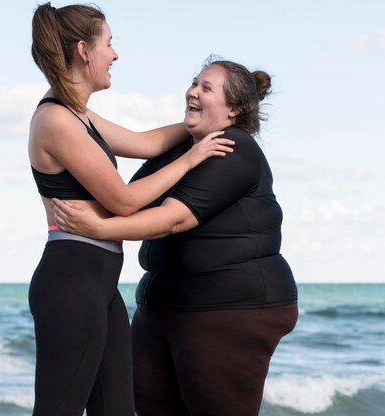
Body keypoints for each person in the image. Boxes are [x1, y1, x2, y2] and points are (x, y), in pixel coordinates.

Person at [51, 57, 299, 416]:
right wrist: (59, 102)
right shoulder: (183, 146)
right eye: (194, 83)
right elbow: (131, 198)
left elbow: (173, 219)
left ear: (235, 109)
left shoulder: (234, 147)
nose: (192, 91)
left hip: (230, 308)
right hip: (164, 306)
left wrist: (100, 229)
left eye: (206, 88)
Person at [28, 4, 233, 415]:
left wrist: (209, 120)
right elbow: (122, 200)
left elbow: (146, 142)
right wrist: (192, 159)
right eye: (110, 43)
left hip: (100, 285)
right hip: (71, 281)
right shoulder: (56, 120)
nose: (115, 55)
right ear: (84, 51)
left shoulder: (79, 115)